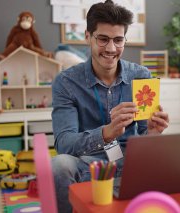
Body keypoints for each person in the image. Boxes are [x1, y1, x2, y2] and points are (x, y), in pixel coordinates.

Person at [51, 1, 169, 212]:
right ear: (88, 37)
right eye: (103, 39)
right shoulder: (66, 82)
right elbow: (64, 144)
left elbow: (146, 142)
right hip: (88, 162)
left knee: (168, 161)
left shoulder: (141, 76)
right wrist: (106, 133)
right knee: (59, 165)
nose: (111, 48)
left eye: (118, 40)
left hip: (131, 161)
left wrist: (152, 132)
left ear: (125, 39)